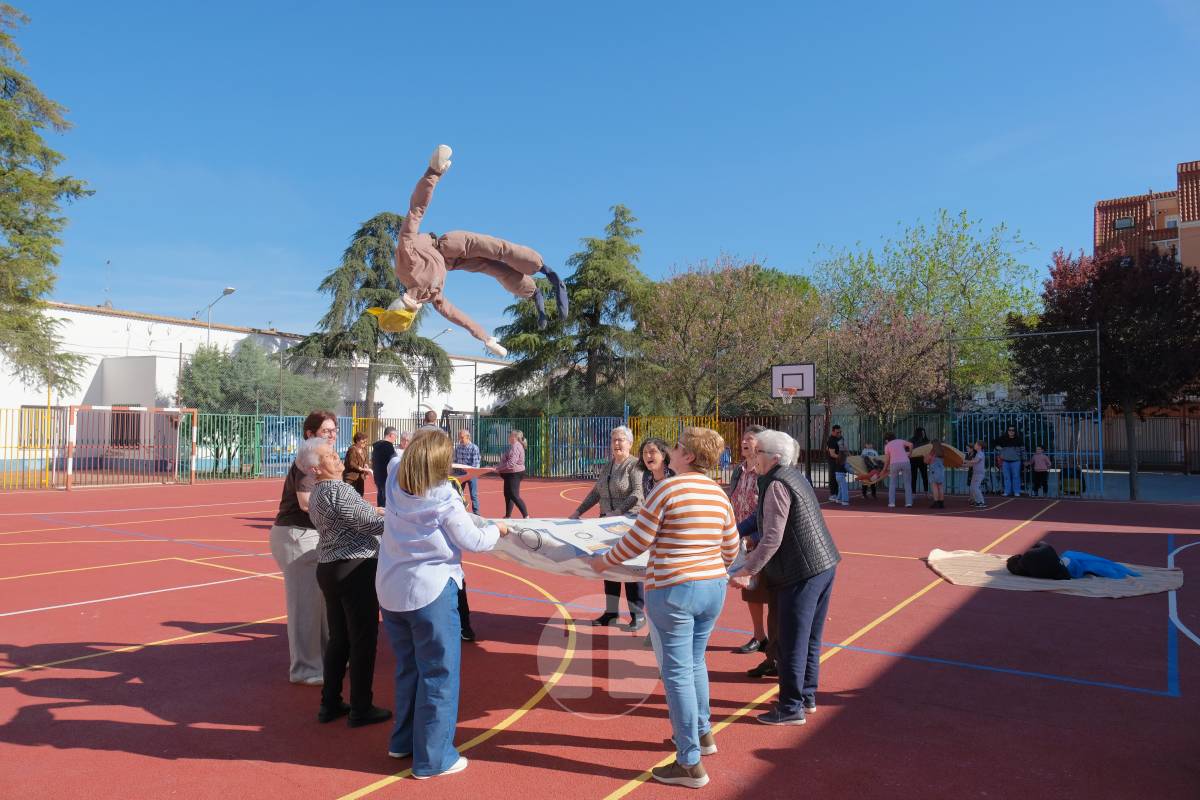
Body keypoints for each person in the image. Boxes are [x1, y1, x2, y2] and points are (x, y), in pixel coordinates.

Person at [590, 427, 738, 789]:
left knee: (676, 673)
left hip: (673, 588)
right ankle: (703, 735)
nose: (670, 450)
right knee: (695, 661)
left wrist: (603, 562)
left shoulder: (669, 489)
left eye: (676, 446)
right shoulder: (718, 493)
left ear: (687, 455)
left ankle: (689, 762)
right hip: (712, 586)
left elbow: (639, 538)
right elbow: (731, 546)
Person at [376, 430, 510, 778]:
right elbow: (476, 540)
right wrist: (499, 529)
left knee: (408, 669)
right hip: (429, 593)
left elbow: (392, 454)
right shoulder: (444, 497)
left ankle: (403, 740)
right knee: (439, 674)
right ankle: (434, 758)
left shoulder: (393, 476)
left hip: (391, 590)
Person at [381, 145, 569, 357]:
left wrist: (432, 173)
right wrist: (485, 338)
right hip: (453, 263)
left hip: (444, 246)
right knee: (492, 266)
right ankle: (534, 293)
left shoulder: (406, 262)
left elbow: (416, 211)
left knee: (495, 248)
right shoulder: (431, 297)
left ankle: (544, 270)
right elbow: (460, 318)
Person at [730, 429, 839, 728]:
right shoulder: (789, 476)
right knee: (810, 637)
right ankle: (806, 697)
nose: (754, 456)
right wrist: (732, 531)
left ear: (775, 458)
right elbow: (760, 520)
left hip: (802, 571)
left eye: (759, 452)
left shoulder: (777, 483)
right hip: (822, 565)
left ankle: (791, 707)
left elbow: (772, 537)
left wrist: (746, 570)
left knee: (792, 640)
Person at [302, 437, 391, 728]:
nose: (337, 456)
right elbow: (370, 523)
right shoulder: (339, 489)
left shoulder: (317, 492)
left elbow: (358, 517)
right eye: (329, 455)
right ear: (316, 468)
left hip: (330, 566)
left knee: (339, 639)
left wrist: (375, 513)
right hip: (355, 567)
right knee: (363, 640)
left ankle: (330, 702)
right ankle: (361, 707)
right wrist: (404, 517)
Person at [269, 410, 336, 685]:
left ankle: (324, 661)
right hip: (297, 536)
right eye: (325, 431)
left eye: (334, 430)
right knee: (305, 606)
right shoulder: (308, 460)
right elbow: (307, 503)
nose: (332, 435)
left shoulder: (322, 459)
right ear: (310, 434)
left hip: (311, 536)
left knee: (321, 604)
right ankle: (305, 669)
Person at [571, 426, 646, 630]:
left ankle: (638, 614)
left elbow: (638, 493)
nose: (617, 444)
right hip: (605, 524)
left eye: (621, 440)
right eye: (614, 440)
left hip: (628, 522)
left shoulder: (635, 466)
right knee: (609, 566)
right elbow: (596, 492)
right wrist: (578, 512)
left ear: (630, 443)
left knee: (629, 567)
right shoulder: (608, 466)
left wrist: (619, 511)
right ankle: (611, 613)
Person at [726, 425, 769, 654]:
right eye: (743, 439)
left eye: (750, 439)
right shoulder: (738, 470)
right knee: (750, 589)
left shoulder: (764, 472)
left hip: (762, 538)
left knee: (768, 590)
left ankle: (774, 641)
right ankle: (759, 636)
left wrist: (754, 536)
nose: (744, 442)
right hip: (742, 538)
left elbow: (766, 513)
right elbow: (731, 500)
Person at [496, 429, 529, 518]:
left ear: (514, 437)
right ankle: (508, 515)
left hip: (515, 473)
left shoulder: (516, 447)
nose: (508, 437)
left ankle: (526, 516)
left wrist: (498, 468)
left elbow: (511, 463)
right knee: (507, 494)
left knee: (514, 495)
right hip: (509, 473)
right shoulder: (513, 446)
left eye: (510, 435)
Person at [453, 428, 482, 513]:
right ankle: (459, 512)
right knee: (457, 494)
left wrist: (469, 473)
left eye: (462, 437)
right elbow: (455, 461)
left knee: (473, 495)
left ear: (468, 437)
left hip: (471, 474)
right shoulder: (458, 448)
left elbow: (476, 465)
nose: (460, 439)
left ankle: (476, 513)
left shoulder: (474, 448)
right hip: (460, 474)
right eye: (459, 437)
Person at [881, 432, 913, 508]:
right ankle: (909, 503)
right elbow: (911, 444)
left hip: (894, 463)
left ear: (886, 440)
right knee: (907, 483)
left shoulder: (887, 446)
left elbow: (887, 459)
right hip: (905, 462)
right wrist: (910, 454)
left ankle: (892, 503)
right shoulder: (900, 441)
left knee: (892, 483)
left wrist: (884, 469)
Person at [993, 425, 1026, 497]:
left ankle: (1016, 491)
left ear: (1015, 431)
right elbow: (994, 443)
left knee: (1016, 476)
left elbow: (1023, 450)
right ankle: (1007, 491)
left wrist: (1024, 459)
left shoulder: (1019, 439)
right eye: (1009, 430)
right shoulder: (1003, 438)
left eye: (1013, 430)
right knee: (1006, 477)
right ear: (1007, 431)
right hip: (1005, 461)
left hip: (1016, 461)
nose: (1011, 431)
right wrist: (998, 448)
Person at [371, 427, 399, 508]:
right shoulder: (388, 447)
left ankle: (379, 517)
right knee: (387, 502)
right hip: (386, 477)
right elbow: (394, 462)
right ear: (391, 435)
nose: (396, 439)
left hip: (378, 476)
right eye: (396, 436)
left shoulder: (376, 446)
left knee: (380, 498)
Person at [343, 431, 370, 497]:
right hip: (351, 477)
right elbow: (351, 463)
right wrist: (361, 469)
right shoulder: (352, 450)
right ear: (357, 441)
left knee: (360, 495)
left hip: (360, 478)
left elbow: (366, 460)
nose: (365, 443)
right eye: (363, 442)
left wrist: (366, 466)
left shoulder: (364, 449)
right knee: (350, 497)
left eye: (366, 441)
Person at [964, 440, 987, 508]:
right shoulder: (977, 453)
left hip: (979, 473)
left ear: (979, 446)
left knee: (976, 487)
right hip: (975, 473)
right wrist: (962, 465)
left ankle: (982, 502)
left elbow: (975, 461)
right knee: (972, 487)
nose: (974, 445)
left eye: (976, 444)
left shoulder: (980, 454)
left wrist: (964, 461)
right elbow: (972, 464)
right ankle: (977, 501)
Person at [925, 438, 946, 509]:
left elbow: (926, 461)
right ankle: (941, 502)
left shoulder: (932, 452)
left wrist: (925, 456)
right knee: (940, 486)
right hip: (941, 470)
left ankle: (936, 502)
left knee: (934, 486)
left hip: (934, 470)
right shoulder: (942, 451)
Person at [825, 424, 844, 502]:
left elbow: (844, 447)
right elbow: (832, 454)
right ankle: (833, 494)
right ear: (832, 432)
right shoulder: (831, 440)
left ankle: (839, 494)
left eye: (840, 432)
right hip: (833, 461)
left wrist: (848, 455)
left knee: (840, 477)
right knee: (833, 477)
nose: (839, 434)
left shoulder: (841, 438)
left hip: (840, 460)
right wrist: (841, 457)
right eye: (837, 432)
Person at [909, 426, 930, 496]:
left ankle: (926, 492)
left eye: (924, 432)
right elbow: (908, 449)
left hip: (923, 461)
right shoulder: (912, 440)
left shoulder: (926, 440)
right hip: (913, 460)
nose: (923, 434)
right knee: (913, 477)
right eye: (922, 433)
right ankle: (913, 492)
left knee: (925, 476)